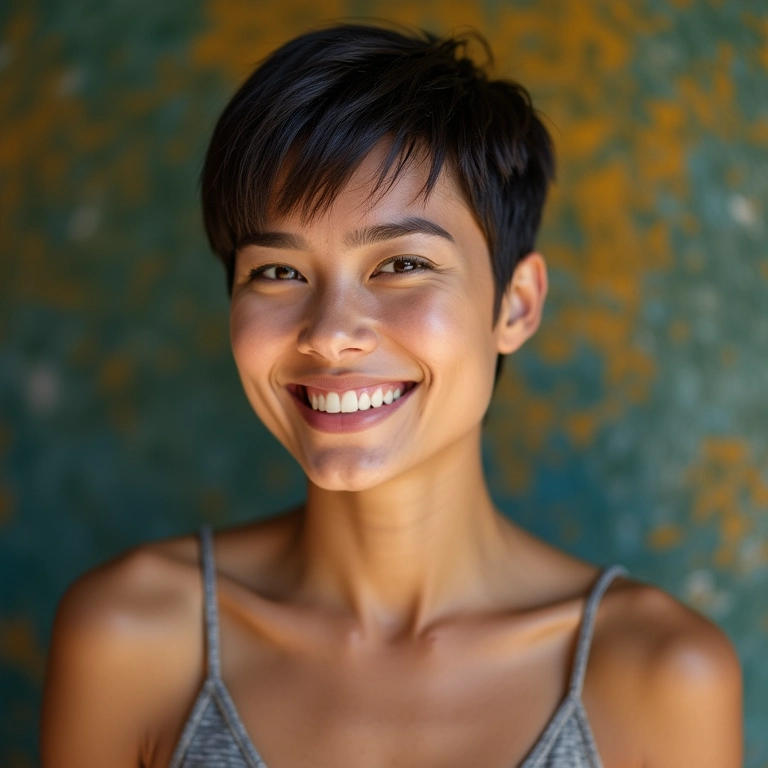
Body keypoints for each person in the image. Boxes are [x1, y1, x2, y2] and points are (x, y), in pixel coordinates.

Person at [41, 23, 743, 768]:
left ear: (516, 304)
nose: (331, 333)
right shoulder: (134, 640)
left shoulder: (658, 677)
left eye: (402, 262)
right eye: (278, 272)